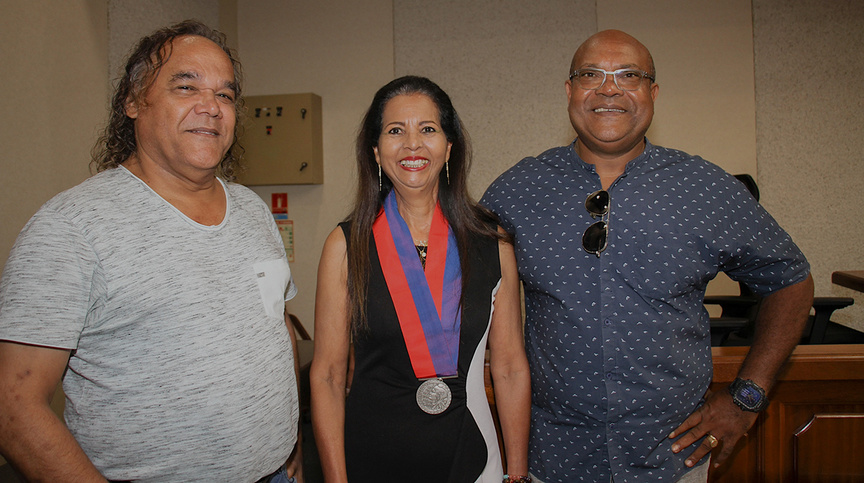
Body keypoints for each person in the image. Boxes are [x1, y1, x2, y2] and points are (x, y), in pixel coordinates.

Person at [481, 30, 814, 483]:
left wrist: (746, 398)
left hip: (674, 460)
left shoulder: (705, 188)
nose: (609, 88)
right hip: (553, 460)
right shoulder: (517, 191)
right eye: (591, 74)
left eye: (629, 76)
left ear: (652, 93)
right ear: (569, 91)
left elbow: (791, 280)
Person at [0, 20, 301, 482]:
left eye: (225, 94)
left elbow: (274, 327)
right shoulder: (71, 228)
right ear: (134, 101)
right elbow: (13, 405)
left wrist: (289, 444)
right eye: (187, 86)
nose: (211, 107)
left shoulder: (252, 209)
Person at [310, 75, 531, 483]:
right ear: (376, 151)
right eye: (396, 131)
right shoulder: (346, 247)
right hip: (371, 460)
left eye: (427, 129)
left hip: (473, 457)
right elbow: (326, 375)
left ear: (449, 147)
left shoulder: (492, 243)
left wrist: (517, 475)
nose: (412, 144)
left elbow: (510, 367)